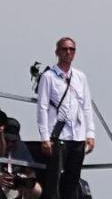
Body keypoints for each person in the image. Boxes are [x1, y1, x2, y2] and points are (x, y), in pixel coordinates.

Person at [36, 38, 95, 199]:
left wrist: (90, 133)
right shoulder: (48, 76)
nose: (68, 52)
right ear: (57, 52)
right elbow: (42, 107)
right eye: (64, 49)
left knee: (73, 178)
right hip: (58, 135)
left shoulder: (80, 77)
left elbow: (87, 106)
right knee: (53, 179)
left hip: (78, 135)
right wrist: (44, 137)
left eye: (72, 49)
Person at [0, 112, 42, 199]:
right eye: (7, 140)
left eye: (13, 141)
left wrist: (21, 181)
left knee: (36, 188)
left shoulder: (20, 148)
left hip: (12, 188)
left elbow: (30, 173)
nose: (10, 144)